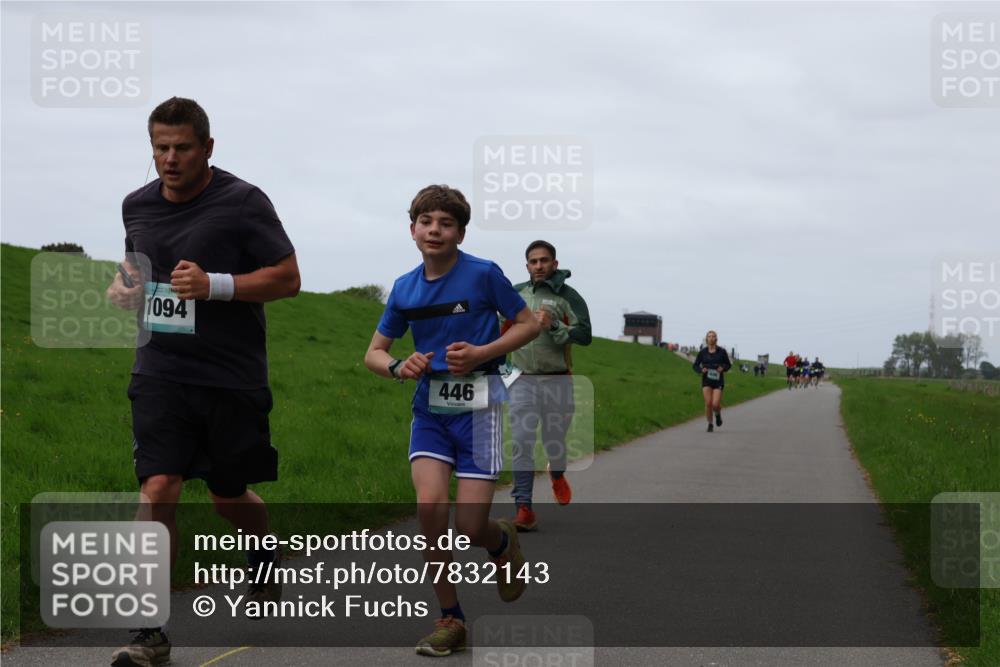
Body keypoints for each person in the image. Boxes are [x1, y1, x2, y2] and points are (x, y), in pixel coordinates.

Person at [106, 97, 300, 667]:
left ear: (207, 148)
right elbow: (134, 270)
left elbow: (288, 279)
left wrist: (215, 285)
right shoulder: (135, 205)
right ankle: (150, 632)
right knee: (159, 487)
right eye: (160, 148)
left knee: (226, 495)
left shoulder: (242, 202)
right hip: (160, 370)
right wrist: (123, 291)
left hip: (230, 377)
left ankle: (263, 553)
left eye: (182, 147)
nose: (169, 158)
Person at [363, 185, 541, 657]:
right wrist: (401, 367)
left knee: (470, 525)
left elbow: (527, 323)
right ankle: (451, 618)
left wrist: (483, 351)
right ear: (413, 230)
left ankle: (499, 541)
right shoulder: (404, 288)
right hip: (431, 412)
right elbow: (374, 353)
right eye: (426, 222)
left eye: (445, 223)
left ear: (460, 232)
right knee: (430, 510)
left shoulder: (483, 275)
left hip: (481, 408)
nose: (435, 230)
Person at [505, 240, 592, 532]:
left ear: (554, 264)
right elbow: (496, 331)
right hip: (522, 380)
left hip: (558, 380)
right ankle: (524, 509)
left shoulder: (570, 297)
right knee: (521, 440)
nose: (538, 266)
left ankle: (556, 473)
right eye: (533, 261)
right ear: (527, 265)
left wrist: (554, 325)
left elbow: (585, 335)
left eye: (544, 261)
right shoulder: (515, 294)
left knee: (554, 442)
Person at [692, 330, 732, 432]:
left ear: (716, 339)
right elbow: (695, 365)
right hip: (706, 380)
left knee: (715, 404)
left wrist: (722, 368)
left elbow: (728, 364)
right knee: (708, 403)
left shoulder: (722, 352)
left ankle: (717, 415)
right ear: (706, 339)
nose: (711, 338)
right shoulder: (702, 352)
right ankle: (710, 424)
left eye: (713, 336)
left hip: (718, 380)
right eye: (709, 336)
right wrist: (701, 370)